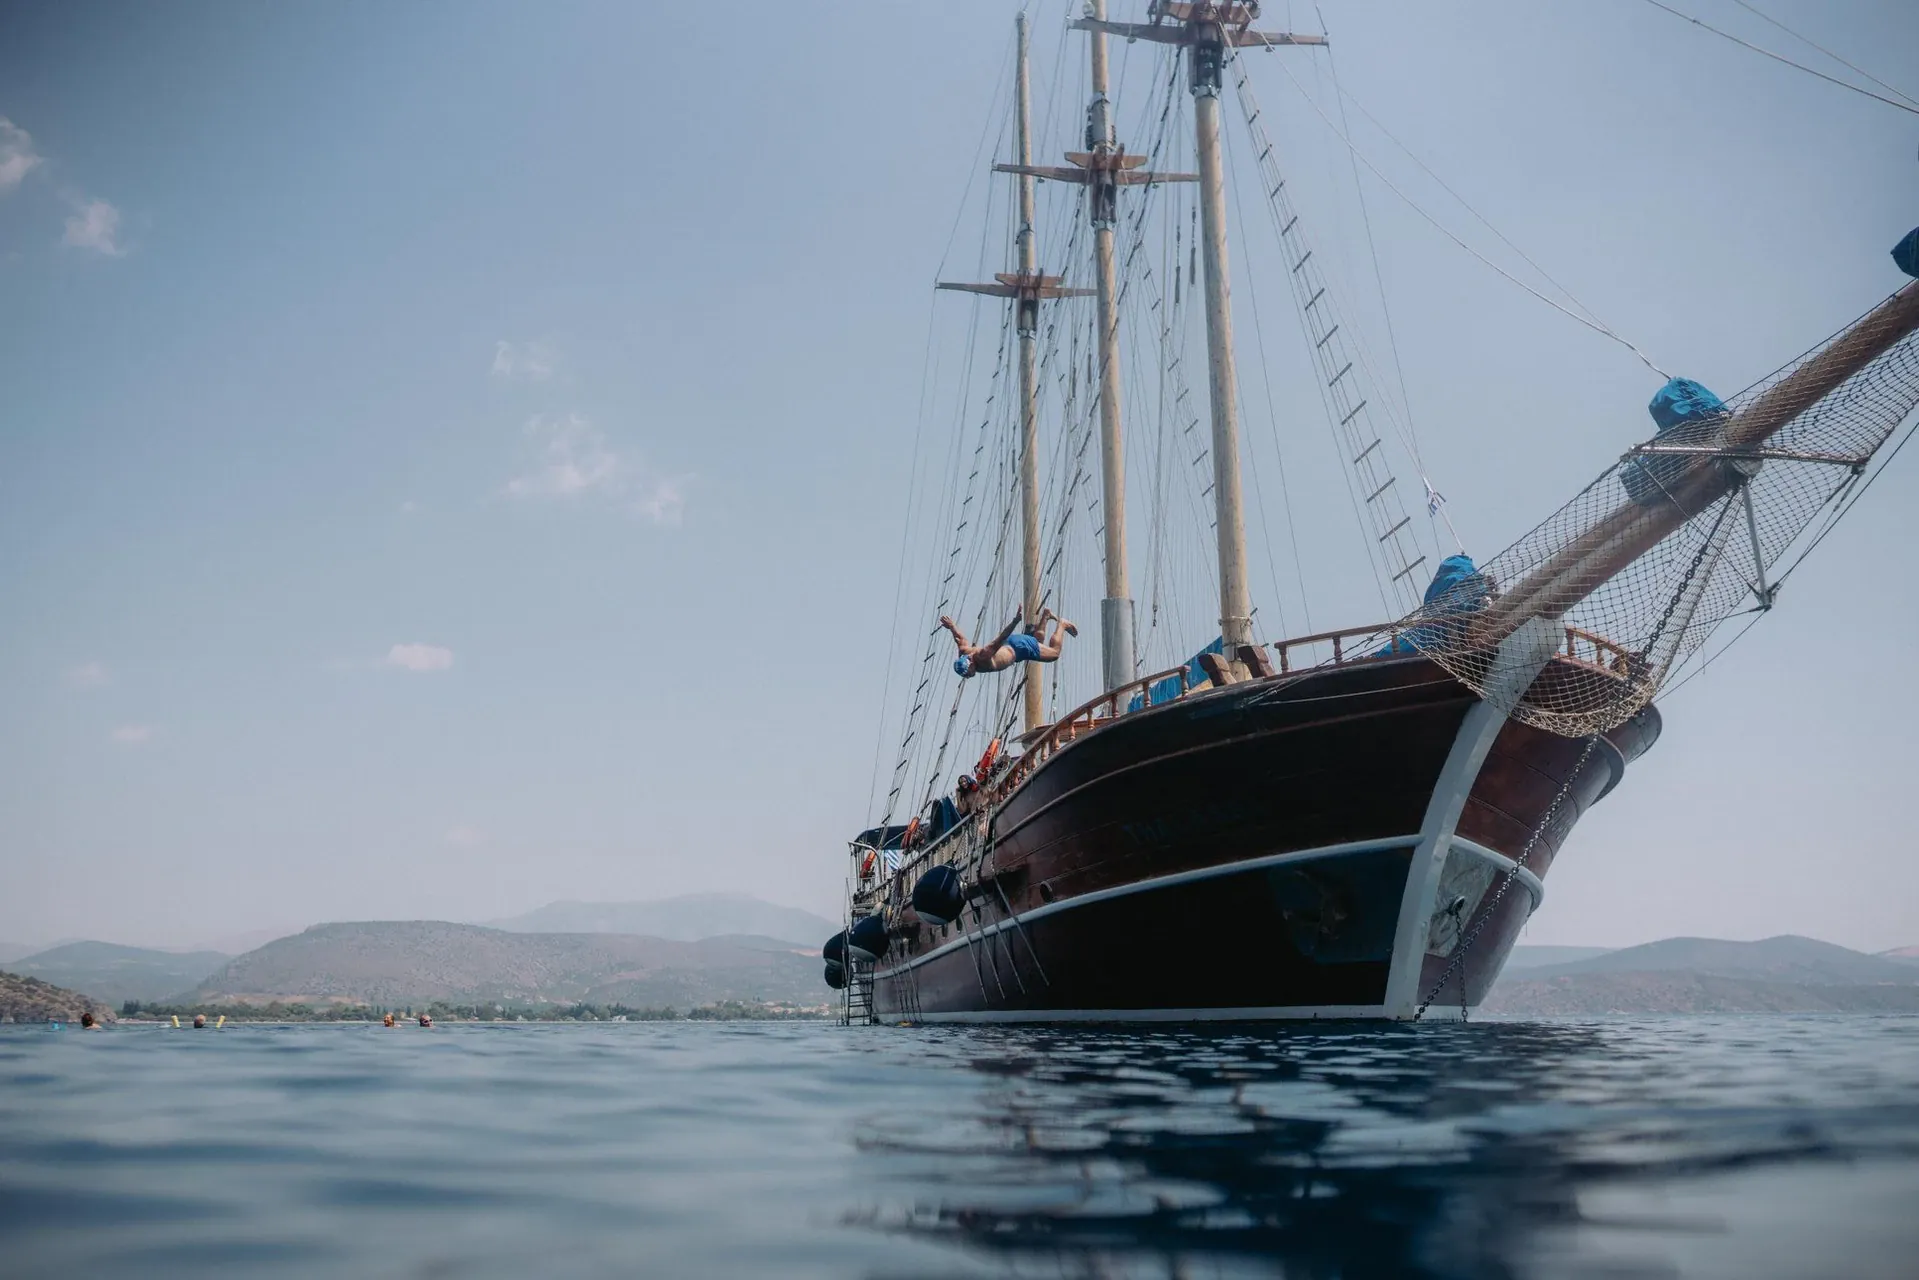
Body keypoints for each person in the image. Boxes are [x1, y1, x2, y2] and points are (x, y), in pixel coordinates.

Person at [942, 607, 1076, 678]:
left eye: (968, 673)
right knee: (1037, 642)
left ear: (970, 664)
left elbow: (1000, 638)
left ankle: (1062, 624)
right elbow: (960, 639)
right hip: (1015, 648)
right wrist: (952, 626)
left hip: (1018, 648)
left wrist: (1015, 621)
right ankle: (1046, 615)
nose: (968, 676)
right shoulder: (964, 653)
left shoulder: (983, 655)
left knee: (1054, 654)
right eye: (965, 675)